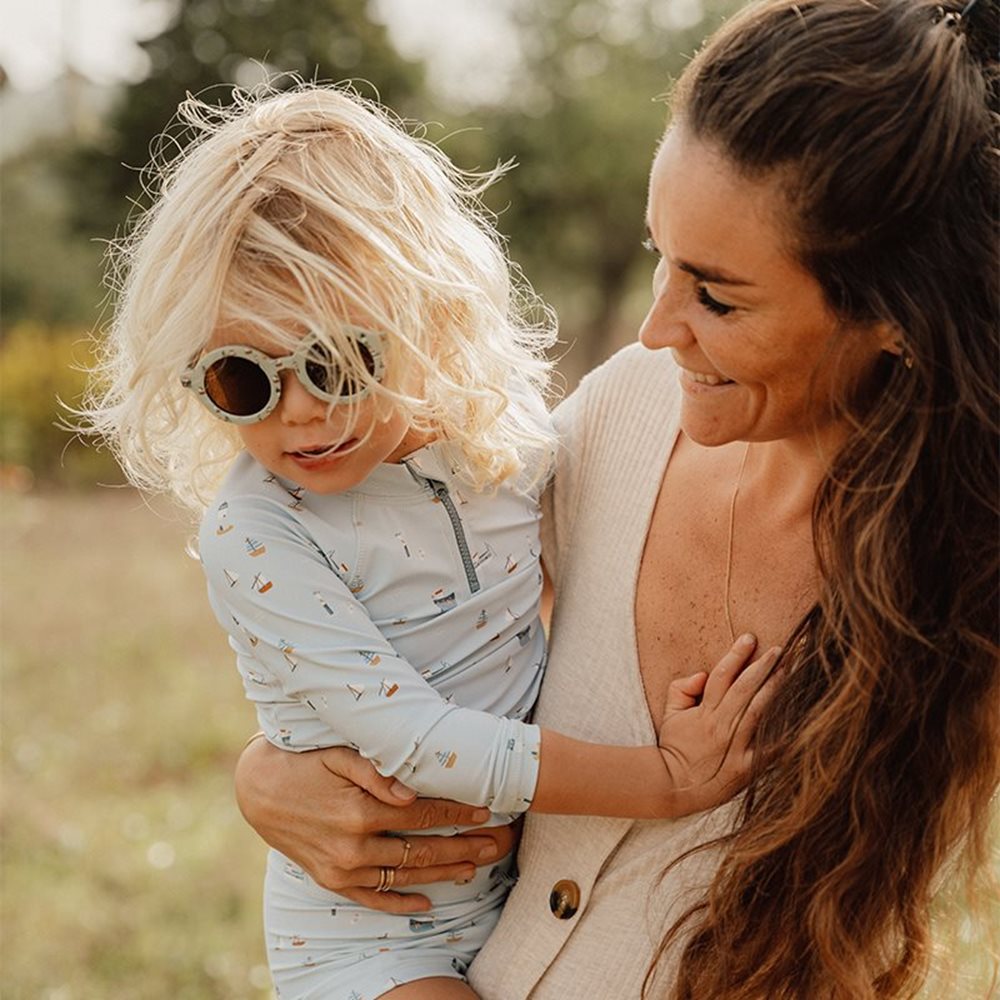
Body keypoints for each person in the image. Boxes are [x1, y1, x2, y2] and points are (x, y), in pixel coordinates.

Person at [234, 0, 1000, 997]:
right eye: (658, 258)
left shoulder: (970, 569)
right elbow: (403, 643)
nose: (653, 329)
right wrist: (267, 777)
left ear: (899, 315)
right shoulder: (624, 416)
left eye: (717, 295)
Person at [81, 84, 779, 999]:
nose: (299, 414)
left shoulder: (500, 444)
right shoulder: (259, 530)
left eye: (334, 363)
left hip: (515, 901)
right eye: (241, 380)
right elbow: (418, 743)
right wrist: (669, 782)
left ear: (425, 318)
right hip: (372, 938)